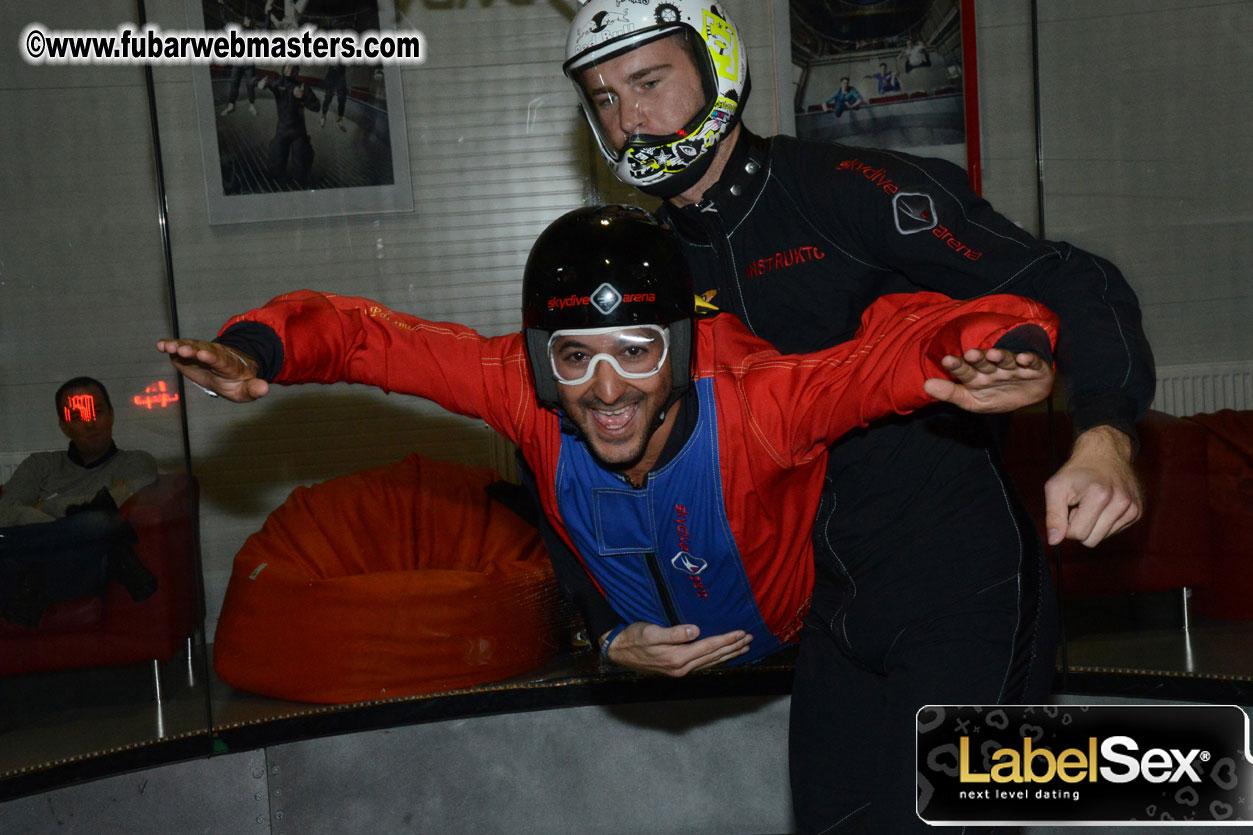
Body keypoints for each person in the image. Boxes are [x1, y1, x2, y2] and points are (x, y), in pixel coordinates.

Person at [560, 2, 1153, 832]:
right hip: (831, 616)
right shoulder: (648, 264)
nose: (629, 119)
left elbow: (1070, 278)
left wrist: (1103, 432)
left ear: (714, 65)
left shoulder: (847, 193)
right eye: (604, 97)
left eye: (648, 82)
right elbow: (573, 444)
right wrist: (606, 624)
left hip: (963, 588)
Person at [155, 205, 1056, 674]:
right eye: (574, 358)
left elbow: (889, 354)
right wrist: (258, 347)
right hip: (635, 628)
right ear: (542, 362)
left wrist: (993, 345)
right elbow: (362, 336)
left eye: (635, 351)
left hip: (803, 621)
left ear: (679, 348)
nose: (607, 389)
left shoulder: (759, 405)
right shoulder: (521, 390)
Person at [0, 377, 158, 627]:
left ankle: (35, 572)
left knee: (101, 523)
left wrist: (45, 508)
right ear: (64, 426)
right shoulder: (40, 465)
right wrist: (71, 522)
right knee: (101, 529)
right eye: (77, 417)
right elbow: (5, 512)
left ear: (111, 415)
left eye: (97, 411)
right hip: (66, 560)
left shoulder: (136, 462)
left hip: (86, 567)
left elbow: (112, 503)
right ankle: (38, 570)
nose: (90, 422)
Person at [258, 64, 320, 188]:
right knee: (275, 169)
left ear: (297, 71)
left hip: (298, 133)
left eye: (294, 68)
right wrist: (259, 83)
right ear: (284, 68)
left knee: (300, 172)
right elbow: (260, 82)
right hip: (282, 130)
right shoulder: (277, 84)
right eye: (288, 67)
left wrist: (303, 98)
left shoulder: (302, 87)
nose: (290, 70)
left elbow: (316, 107)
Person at [320, 64, 349, 132]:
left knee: (341, 100)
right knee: (327, 98)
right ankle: (323, 116)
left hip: (340, 80)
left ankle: (340, 118)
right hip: (331, 79)